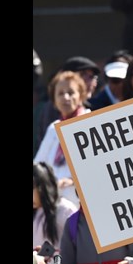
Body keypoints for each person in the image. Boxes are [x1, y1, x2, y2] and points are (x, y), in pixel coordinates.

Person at [33, 71, 90, 206]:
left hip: (82, 207)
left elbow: (100, 169)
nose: (65, 97)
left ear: (81, 96)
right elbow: (38, 166)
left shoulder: (90, 123)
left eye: (71, 92)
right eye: (60, 93)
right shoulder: (53, 128)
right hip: (55, 205)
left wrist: (72, 181)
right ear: (54, 101)